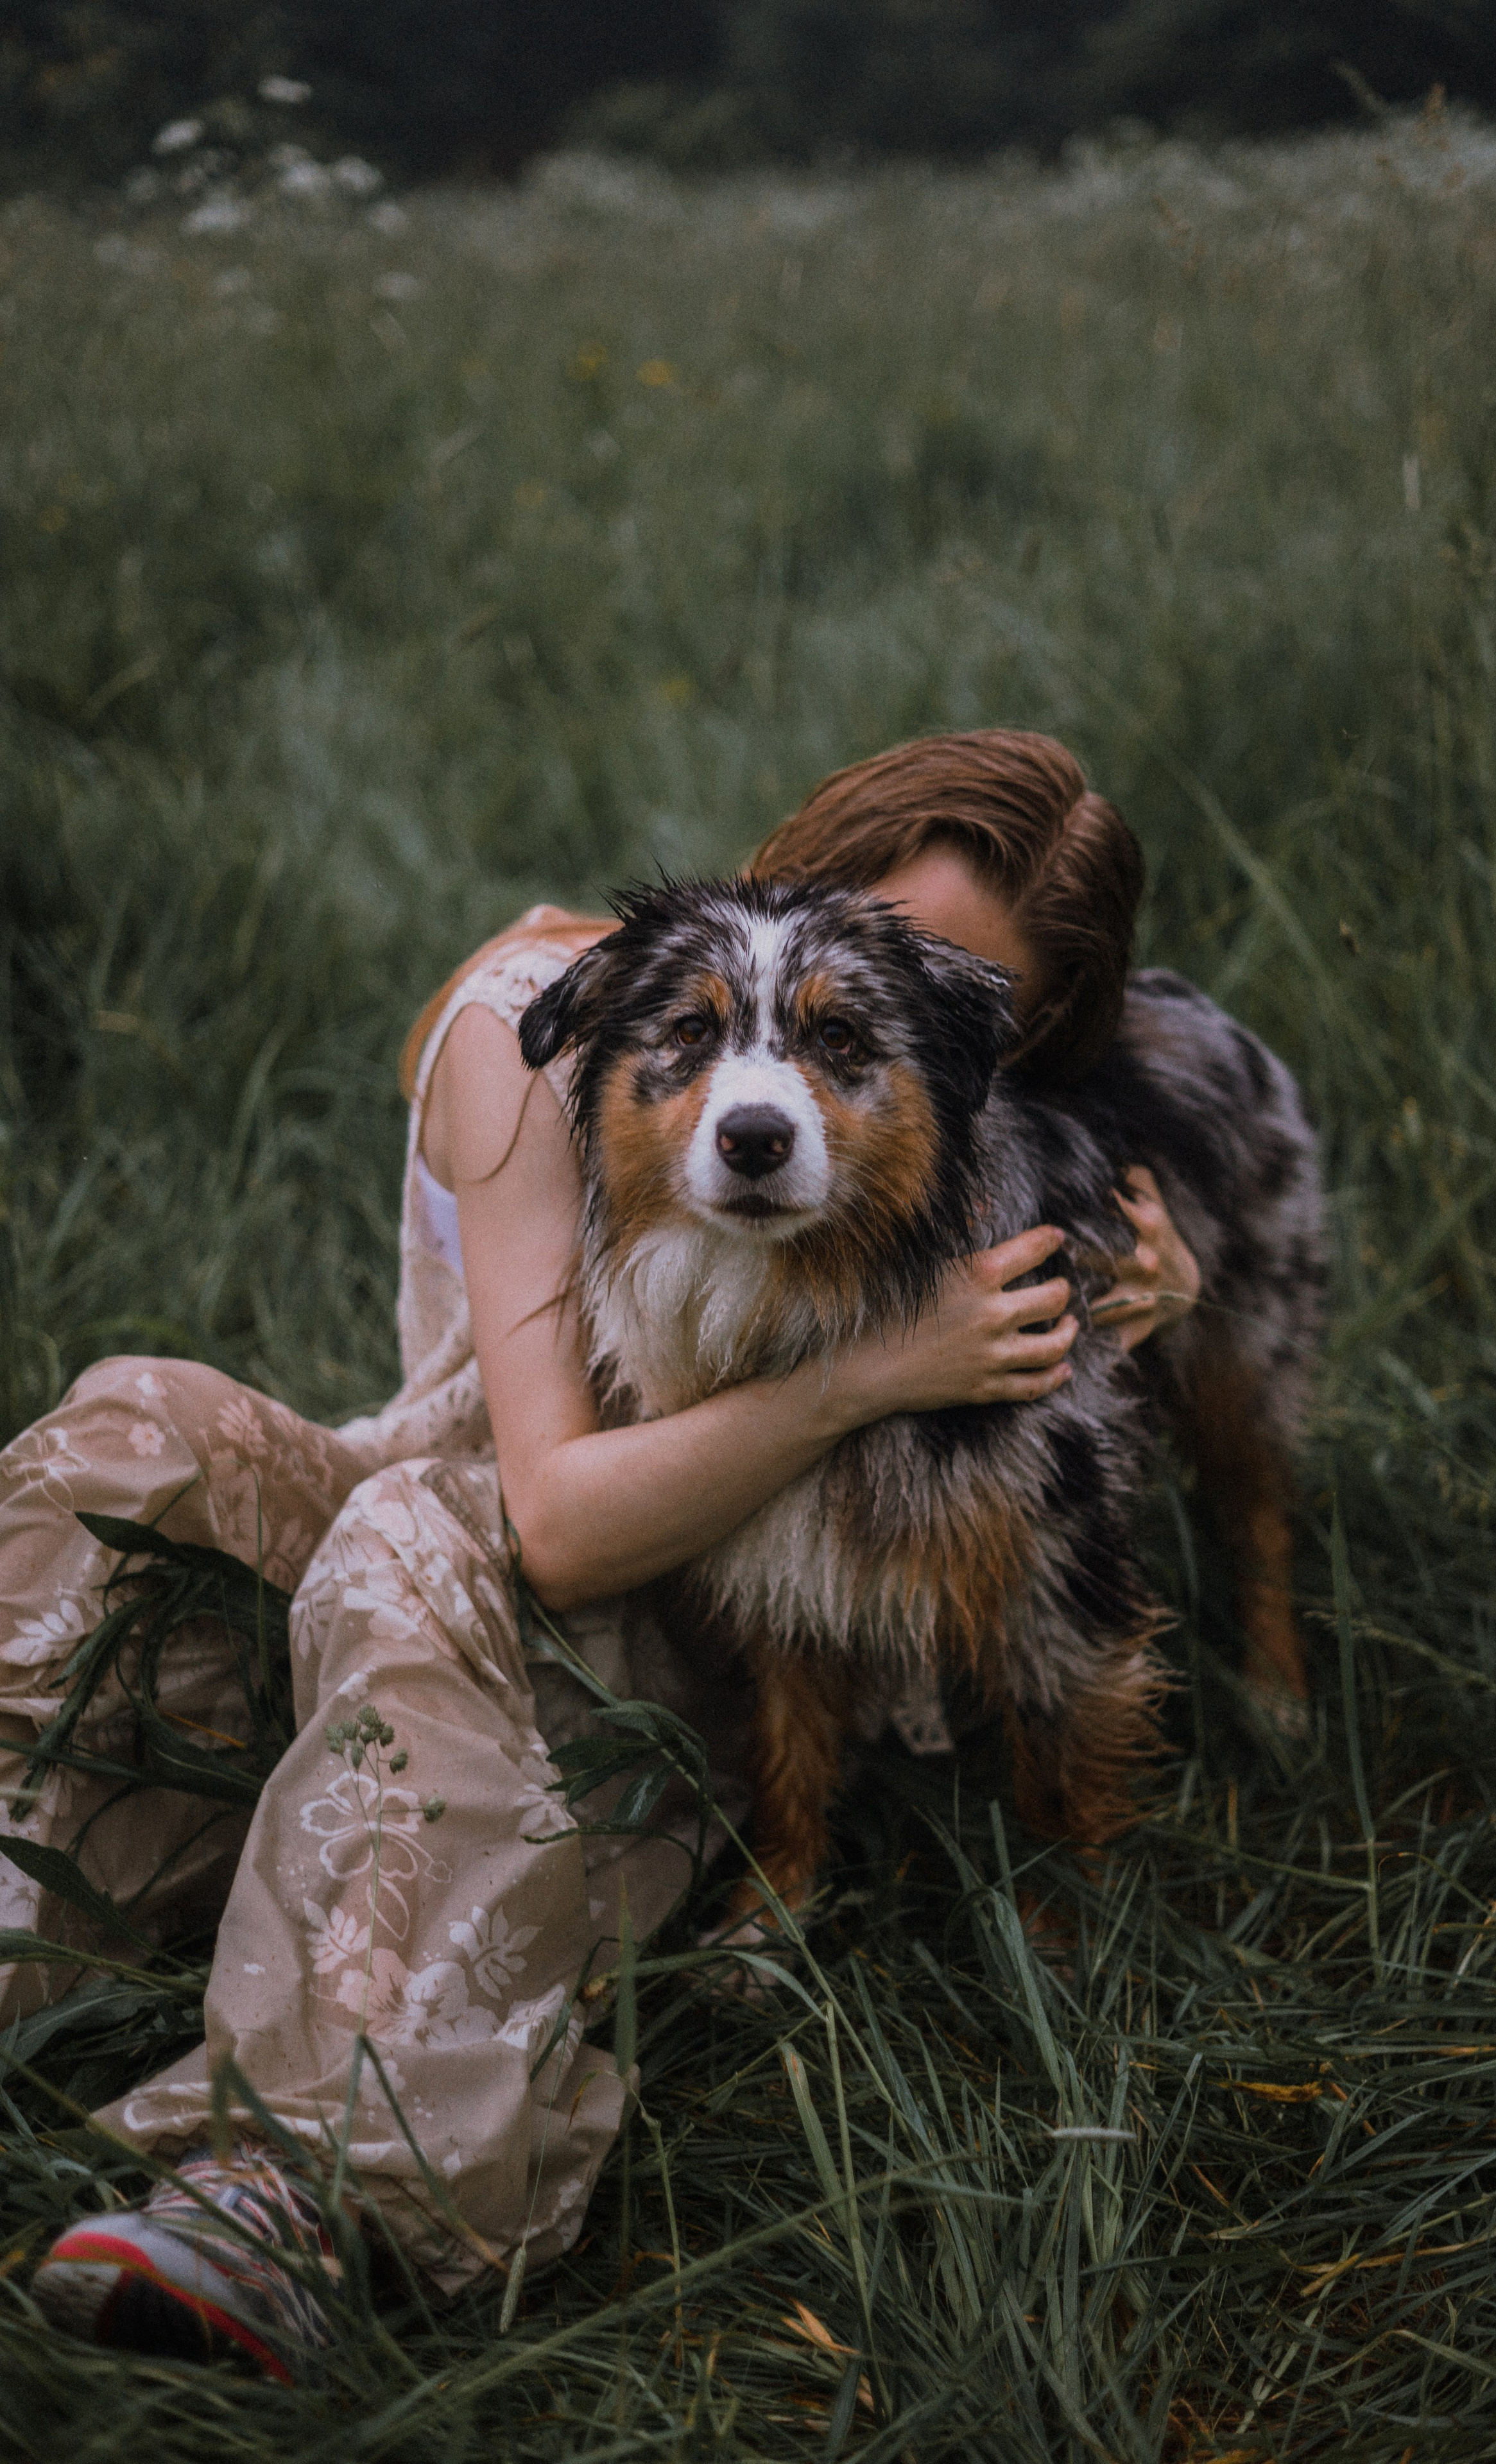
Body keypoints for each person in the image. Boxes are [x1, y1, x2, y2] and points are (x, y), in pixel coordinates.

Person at [8, 729, 1199, 2375]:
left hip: (679, 1628)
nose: (878, 1004)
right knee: (145, 1427)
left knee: (416, 1540)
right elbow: (552, 1494)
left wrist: (1150, 1294)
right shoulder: (553, 1015)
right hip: (475, 1509)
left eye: (947, 1007)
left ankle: (294, 2189)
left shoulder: (957, 1163)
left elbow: (560, 1549)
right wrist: (864, 1371)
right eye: (871, 929)